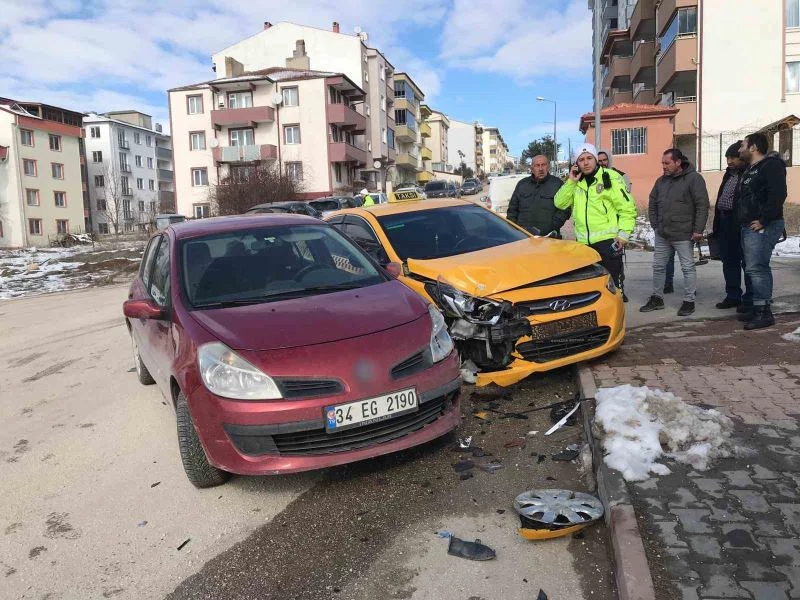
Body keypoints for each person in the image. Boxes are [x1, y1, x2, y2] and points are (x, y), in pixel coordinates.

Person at [554, 143, 637, 301]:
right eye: (581, 160)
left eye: (589, 158)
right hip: (584, 245)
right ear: (576, 163)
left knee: (613, 288)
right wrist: (571, 182)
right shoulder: (576, 182)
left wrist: (623, 235)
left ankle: (616, 315)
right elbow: (560, 203)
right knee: (590, 289)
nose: (585, 162)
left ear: (595, 159)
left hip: (608, 243)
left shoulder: (610, 177)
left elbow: (627, 208)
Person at [640, 149, 710, 316]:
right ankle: (657, 298)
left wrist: (698, 230)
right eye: (662, 163)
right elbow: (652, 203)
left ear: (678, 162)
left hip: (684, 234)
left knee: (687, 267)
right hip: (663, 234)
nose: (664, 166)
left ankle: (689, 301)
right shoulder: (661, 181)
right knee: (658, 267)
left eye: (667, 163)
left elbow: (702, 205)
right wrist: (655, 225)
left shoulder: (694, 179)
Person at [737, 132, 787, 330]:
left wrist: (764, 220)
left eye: (743, 145)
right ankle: (757, 306)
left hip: (763, 226)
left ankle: (764, 313)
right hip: (749, 225)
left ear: (753, 147)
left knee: (758, 268)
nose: (740, 149)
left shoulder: (771, 166)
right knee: (753, 268)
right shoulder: (751, 169)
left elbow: (778, 194)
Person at [711, 141, 750, 310]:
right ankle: (733, 295)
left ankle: (750, 299)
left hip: (740, 223)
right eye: (727, 158)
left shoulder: (749, 174)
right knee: (729, 261)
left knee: (747, 263)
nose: (729, 161)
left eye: (733, 157)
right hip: (725, 221)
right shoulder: (729, 174)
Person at [507, 154, 570, 237]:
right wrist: (515, 230)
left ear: (548, 167)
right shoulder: (522, 184)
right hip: (523, 237)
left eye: (543, 165)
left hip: (550, 237)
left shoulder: (557, 184)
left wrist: (552, 226)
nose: (540, 169)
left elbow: (565, 208)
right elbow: (512, 210)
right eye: (537, 165)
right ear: (532, 168)